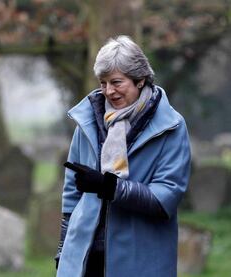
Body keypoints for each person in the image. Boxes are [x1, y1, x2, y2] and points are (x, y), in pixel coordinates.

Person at [54, 35, 191, 277]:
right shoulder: (86, 121)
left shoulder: (171, 126)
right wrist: (63, 249)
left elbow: (167, 196)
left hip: (140, 260)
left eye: (116, 82)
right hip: (85, 258)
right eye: (103, 82)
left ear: (140, 80)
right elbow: (71, 197)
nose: (108, 91)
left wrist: (110, 187)